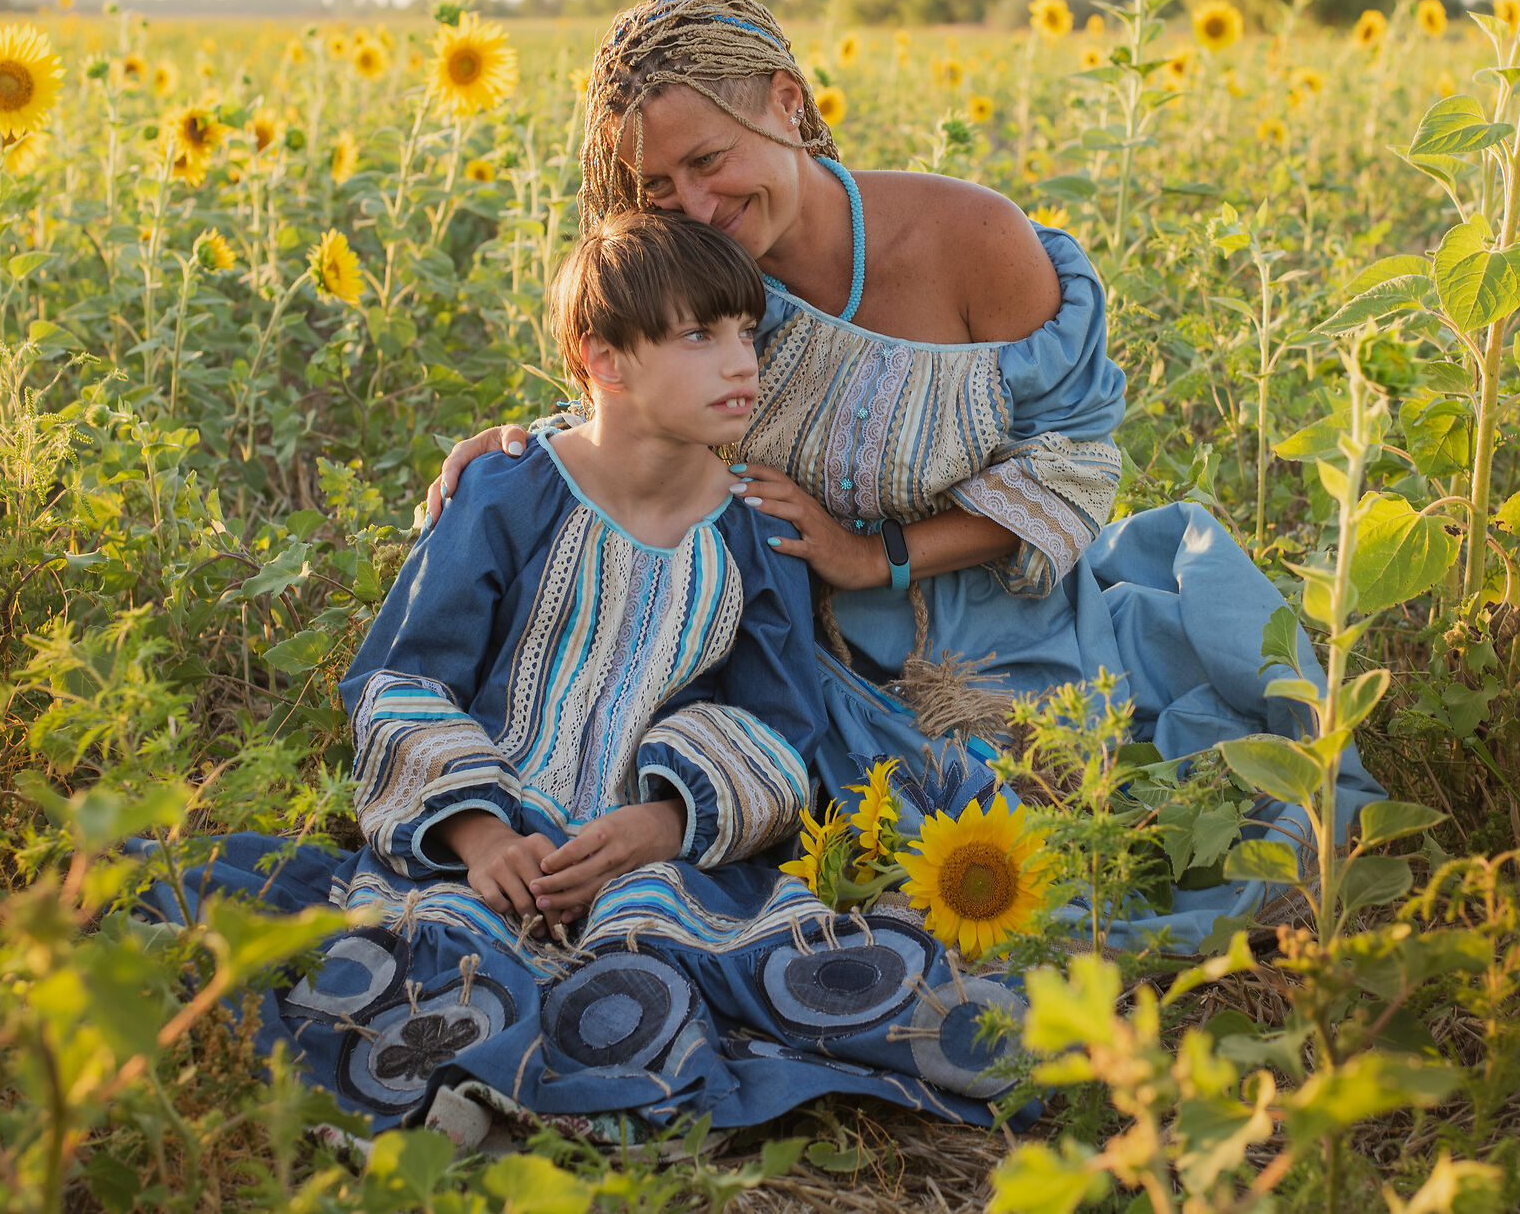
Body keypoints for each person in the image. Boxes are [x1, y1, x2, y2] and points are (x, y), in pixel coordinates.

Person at [431, 0, 1382, 949]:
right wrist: (537, 445)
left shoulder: (971, 239)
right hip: (788, 646)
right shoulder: (699, 271)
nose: (697, 206)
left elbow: (1072, 467)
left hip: (1006, 626)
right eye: (658, 187)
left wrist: (873, 556)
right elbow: (645, 381)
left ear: (788, 104)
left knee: (1105, 828)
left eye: (709, 160)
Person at [147, 211, 1023, 1143]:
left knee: (677, 960)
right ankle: (449, 1096)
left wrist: (662, 822)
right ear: (603, 359)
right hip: (484, 839)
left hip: (646, 857)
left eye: (743, 333)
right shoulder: (507, 491)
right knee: (434, 943)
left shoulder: (757, 531)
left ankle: (550, 1095)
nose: (741, 362)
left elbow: (777, 724)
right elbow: (403, 678)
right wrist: (482, 839)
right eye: (700, 335)